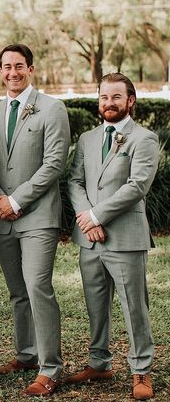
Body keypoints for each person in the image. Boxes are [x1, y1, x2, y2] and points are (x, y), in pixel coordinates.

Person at [0, 44, 70, 396]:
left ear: (30, 69)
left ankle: (51, 368)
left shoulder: (52, 108)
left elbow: (54, 163)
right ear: (0, 71)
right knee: (18, 291)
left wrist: (17, 199)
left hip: (38, 216)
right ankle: (26, 354)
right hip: (1, 216)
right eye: (7, 66)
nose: (13, 72)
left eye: (19, 66)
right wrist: (0, 200)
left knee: (37, 287)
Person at [66, 73, 159, 401]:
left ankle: (141, 370)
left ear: (130, 100)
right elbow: (74, 181)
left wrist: (96, 215)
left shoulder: (144, 138)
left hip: (125, 237)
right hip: (89, 238)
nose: (109, 103)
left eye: (116, 97)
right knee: (96, 304)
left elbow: (137, 186)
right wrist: (87, 219)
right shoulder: (89, 138)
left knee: (135, 306)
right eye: (104, 97)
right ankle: (99, 362)